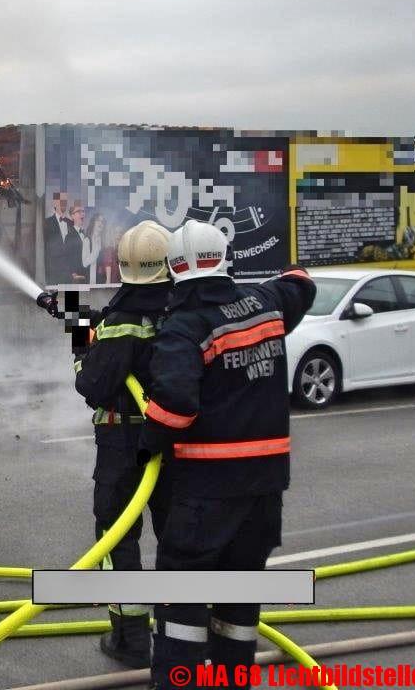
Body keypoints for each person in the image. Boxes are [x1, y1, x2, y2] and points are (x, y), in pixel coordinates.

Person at [141, 221, 315, 690]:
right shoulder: (267, 303)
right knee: (239, 601)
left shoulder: (184, 327)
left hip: (208, 492)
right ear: (223, 257)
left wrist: (148, 439)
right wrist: (285, 261)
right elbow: (301, 281)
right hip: (264, 490)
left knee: (182, 601)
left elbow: (176, 407)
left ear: (173, 268)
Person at [72, 220, 174, 669]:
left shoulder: (125, 322)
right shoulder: (183, 308)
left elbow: (92, 384)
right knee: (179, 536)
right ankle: (183, 628)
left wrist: (81, 342)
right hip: (175, 439)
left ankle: (131, 640)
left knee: (117, 536)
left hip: (124, 440)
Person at [43, 192, 72, 283]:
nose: (64, 203)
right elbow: (45, 248)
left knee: (72, 297)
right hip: (53, 272)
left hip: (69, 273)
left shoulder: (71, 223)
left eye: (65, 201)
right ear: (55, 203)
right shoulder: (46, 223)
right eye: (61, 200)